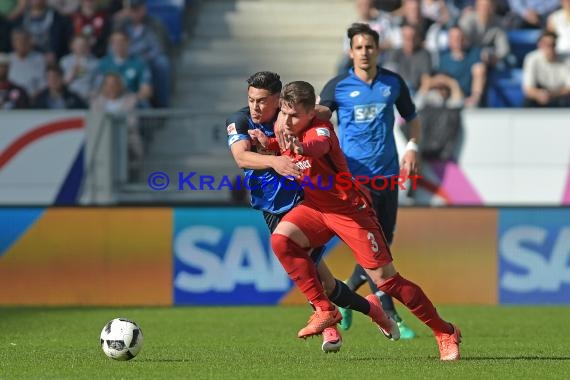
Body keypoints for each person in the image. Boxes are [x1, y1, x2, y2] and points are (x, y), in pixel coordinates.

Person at [257, 80, 461, 361]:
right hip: (316, 208)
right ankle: (324, 309)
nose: (287, 120)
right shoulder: (286, 130)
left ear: (310, 113)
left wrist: (299, 148)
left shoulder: (320, 130)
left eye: (294, 115)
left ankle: (445, 331)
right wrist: (264, 142)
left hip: (350, 211)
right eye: (284, 113)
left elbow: (316, 147)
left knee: (387, 281)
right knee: (281, 240)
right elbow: (279, 146)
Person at [226, 71, 399, 353]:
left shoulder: (291, 117)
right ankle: (373, 310)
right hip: (270, 205)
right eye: (251, 100)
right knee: (326, 283)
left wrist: (315, 111)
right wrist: (275, 162)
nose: (256, 107)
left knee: (309, 267)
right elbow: (241, 156)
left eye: (262, 101)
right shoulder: (240, 120)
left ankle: (330, 327)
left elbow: (321, 115)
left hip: (303, 201)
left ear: (278, 100)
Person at [315, 22, 419, 338]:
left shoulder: (393, 82)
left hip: (387, 176)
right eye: (358, 47)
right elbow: (318, 119)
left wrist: (412, 147)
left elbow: (412, 120)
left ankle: (346, 293)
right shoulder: (337, 87)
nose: (364, 52)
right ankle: (390, 314)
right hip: (354, 180)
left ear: (377, 49)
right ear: (351, 52)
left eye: (369, 46)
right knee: (373, 249)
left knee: (383, 246)